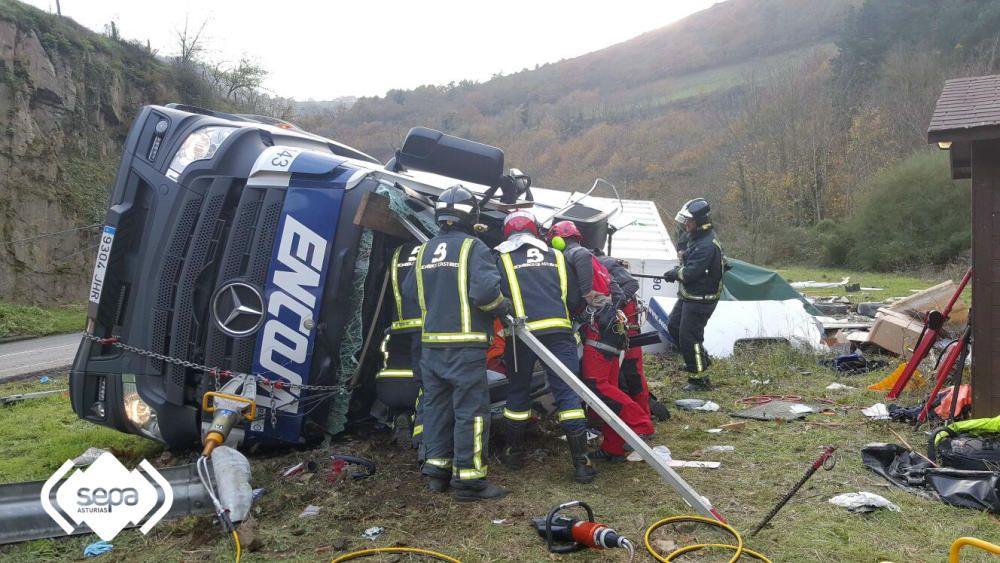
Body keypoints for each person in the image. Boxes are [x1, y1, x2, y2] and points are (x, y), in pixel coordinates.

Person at [402, 185, 514, 501]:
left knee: (436, 409)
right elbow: (485, 295)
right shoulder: (473, 248)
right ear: (472, 216)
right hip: (465, 347)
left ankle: (436, 472)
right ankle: (469, 481)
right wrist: (503, 310)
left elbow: (411, 292)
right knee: (471, 412)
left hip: (431, 347)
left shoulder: (423, 251)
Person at [495, 211, 596, 484]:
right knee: (567, 395)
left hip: (521, 335)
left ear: (507, 233)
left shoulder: (500, 258)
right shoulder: (557, 256)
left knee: (518, 392)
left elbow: (494, 297)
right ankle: (581, 464)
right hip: (559, 332)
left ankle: (514, 454)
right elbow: (575, 299)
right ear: (536, 231)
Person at [547, 221, 654, 462]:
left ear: (557, 240)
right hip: (608, 329)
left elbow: (586, 294)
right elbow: (617, 292)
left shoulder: (575, 255)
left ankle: (641, 424)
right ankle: (614, 448)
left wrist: (589, 313)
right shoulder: (595, 260)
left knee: (597, 385)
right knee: (610, 388)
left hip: (598, 332)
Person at [663, 198, 724, 391]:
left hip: (701, 299)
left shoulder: (706, 245)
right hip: (690, 296)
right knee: (673, 326)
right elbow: (690, 265)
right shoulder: (697, 239)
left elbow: (690, 273)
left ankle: (699, 378)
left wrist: (675, 273)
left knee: (690, 337)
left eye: (689, 221)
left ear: (700, 222)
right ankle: (699, 360)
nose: (685, 224)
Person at [595, 253, 658, 424]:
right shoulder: (590, 263)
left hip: (625, 327)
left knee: (633, 374)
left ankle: (643, 418)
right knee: (617, 377)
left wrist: (614, 307)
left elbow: (631, 284)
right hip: (610, 332)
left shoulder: (602, 263)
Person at [374, 242, 424, 453]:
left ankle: (398, 419)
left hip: (398, 326)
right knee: (429, 388)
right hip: (425, 325)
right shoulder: (435, 249)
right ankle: (422, 439)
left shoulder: (395, 253)